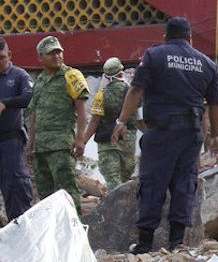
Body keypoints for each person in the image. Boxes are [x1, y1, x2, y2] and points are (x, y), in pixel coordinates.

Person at [112, 17, 218, 253]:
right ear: (190, 38)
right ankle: (177, 242)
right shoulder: (207, 63)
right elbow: (215, 103)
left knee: (153, 182)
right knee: (184, 183)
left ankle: (144, 244)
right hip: (191, 134)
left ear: (166, 37)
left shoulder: (155, 55)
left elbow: (136, 89)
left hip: (161, 131)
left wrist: (121, 120)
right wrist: (215, 135)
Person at [28, 36, 88, 215]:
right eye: (51, 53)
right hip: (41, 148)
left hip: (61, 146)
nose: (56, 56)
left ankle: (75, 232)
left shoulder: (71, 75)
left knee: (67, 192)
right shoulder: (39, 81)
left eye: (58, 52)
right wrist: (31, 145)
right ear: (41, 57)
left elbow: (82, 109)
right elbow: (34, 114)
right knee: (46, 197)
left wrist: (80, 139)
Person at [81, 58, 137, 190]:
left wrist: (83, 142)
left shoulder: (101, 95)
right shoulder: (132, 94)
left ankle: (115, 208)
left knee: (113, 182)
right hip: (128, 144)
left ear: (106, 75)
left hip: (107, 144)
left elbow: (95, 120)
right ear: (121, 72)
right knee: (123, 180)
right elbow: (139, 120)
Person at [0, 37, 35, 222]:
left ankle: (20, 229)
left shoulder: (19, 75)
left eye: (2, 58)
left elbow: (29, 97)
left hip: (11, 142)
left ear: (9, 55)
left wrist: (5, 103)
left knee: (15, 188)